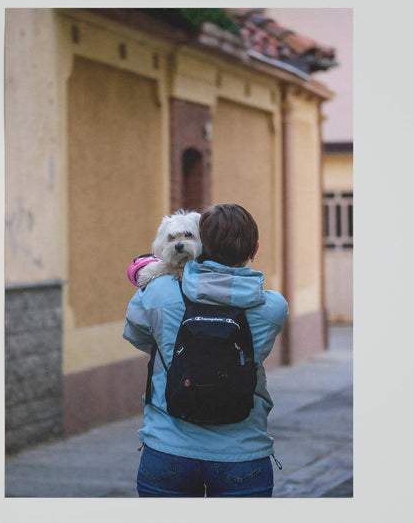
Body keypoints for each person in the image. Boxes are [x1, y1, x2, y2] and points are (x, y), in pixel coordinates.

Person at [123, 203, 289, 497]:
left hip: (166, 449)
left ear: (203, 246)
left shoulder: (158, 291)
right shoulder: (273, 306)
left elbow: (136, 336)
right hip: (242, 454)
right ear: (255, 249)